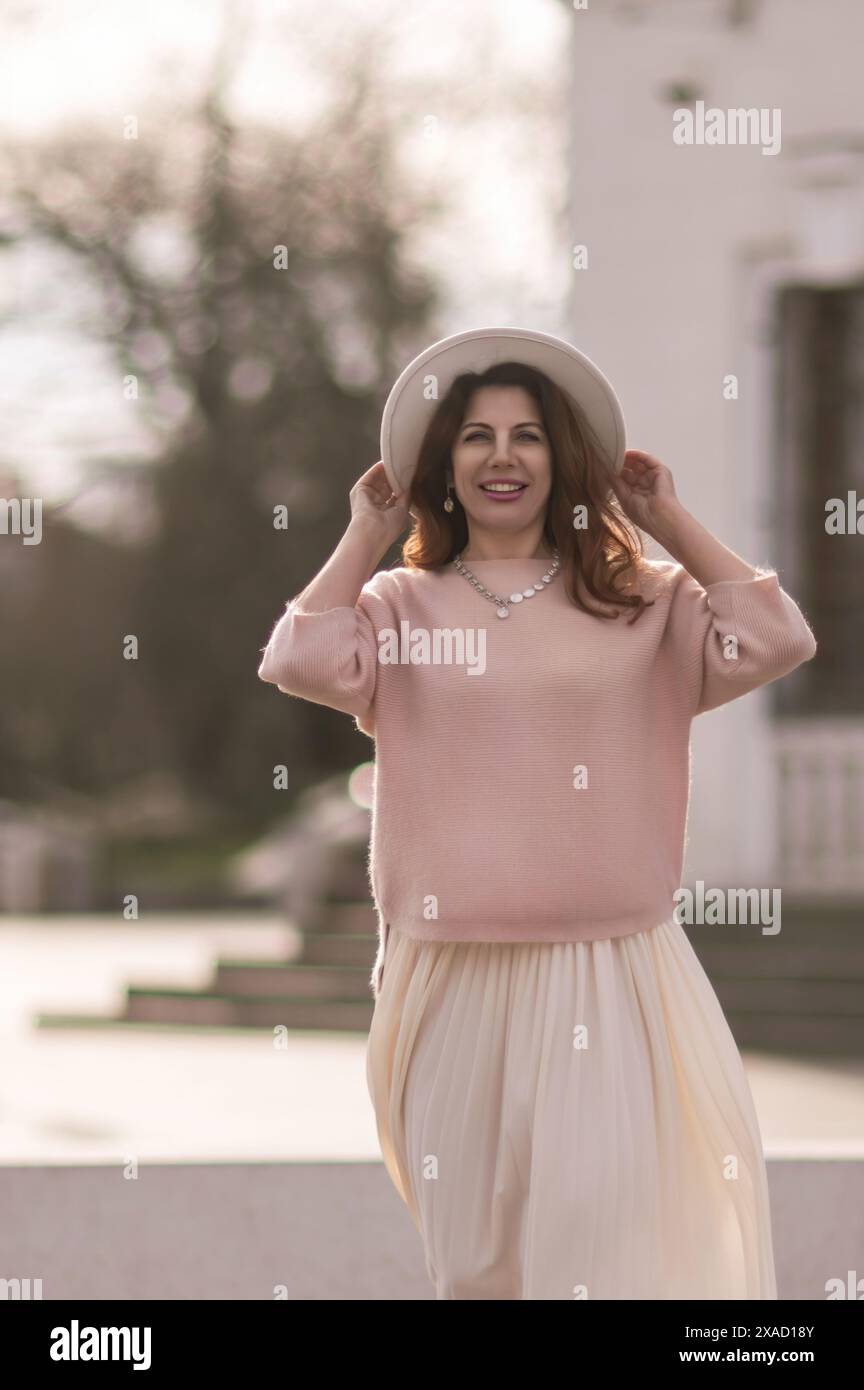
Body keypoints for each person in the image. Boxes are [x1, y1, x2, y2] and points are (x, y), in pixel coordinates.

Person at [257, 328, 817, 1301]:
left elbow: (776, 635)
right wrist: (363, 535)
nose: (503, 456)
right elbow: (298, 659)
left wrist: (665, 518)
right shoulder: (398, 605)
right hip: (445, 972)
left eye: (528, 435)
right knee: (475, 1266)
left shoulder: (643, 600)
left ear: (563, 460)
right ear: (446, 464)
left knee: (594, 1251)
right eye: (476, 436)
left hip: (610, 970)